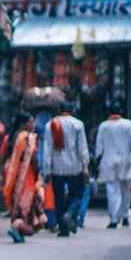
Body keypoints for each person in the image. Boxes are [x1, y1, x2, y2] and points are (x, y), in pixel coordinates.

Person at [42, 101, 89, 237]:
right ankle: (70, 213)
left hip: (57, 168)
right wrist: (85, 166)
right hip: (75, 167)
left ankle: (63, 229)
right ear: (71, 110)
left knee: (59, 198)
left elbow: (47, 149)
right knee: (78, 193)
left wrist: (47, 170)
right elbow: (82, 148)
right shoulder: (78, 124)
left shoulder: (50, 124)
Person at [0, 112, 47, 243]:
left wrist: (0, 176)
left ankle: (19, 231)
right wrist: (38, 173)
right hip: (26, 176)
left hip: (11, 175)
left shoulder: (9, 138)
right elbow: (33, 159)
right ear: (23, 124)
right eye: (31, 122)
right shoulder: (27, 138)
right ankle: (18, 227)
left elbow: (2, 158)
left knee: (17, 203)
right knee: (26, 206)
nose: (34, 124)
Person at [95, 99, 131, 229]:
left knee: (112, 191)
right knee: (125, 191)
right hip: (126, 162)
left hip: (109, 162)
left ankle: (114, 219)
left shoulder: (103, 126)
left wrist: (96, 161)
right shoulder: (128, 124)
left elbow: (99, 147)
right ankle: (125, 216)